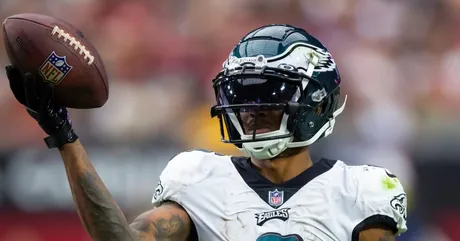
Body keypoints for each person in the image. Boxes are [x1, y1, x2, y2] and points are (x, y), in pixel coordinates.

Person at [5, 24, 407, 241]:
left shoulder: (357, 192)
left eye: (267, 99)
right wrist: (65, 137)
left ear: (317, 104)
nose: (250, 113)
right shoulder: (200, 179)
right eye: (244, 98)